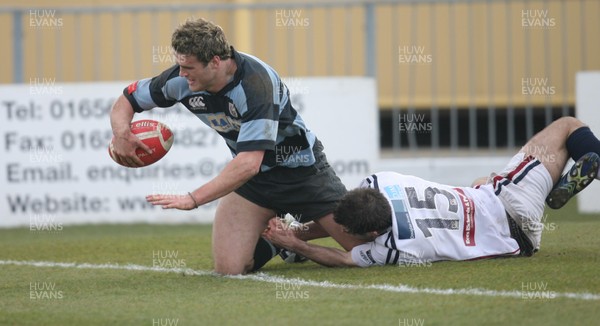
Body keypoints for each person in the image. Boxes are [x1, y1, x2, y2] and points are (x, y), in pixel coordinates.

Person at [109, 18, 363, 274]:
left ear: (215, 62)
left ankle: (294, 236)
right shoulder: (180, 80)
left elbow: (249, 163)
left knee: (363, 248)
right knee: (229, 269)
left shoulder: (256, 84)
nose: (182, 73)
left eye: (189, 67)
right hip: (256, 185)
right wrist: (121, 133)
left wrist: (193, 199)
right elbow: (128, 98)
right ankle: (278, 243)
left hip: (304, 173)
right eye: (179, 64)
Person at [263, 117, 600, 267]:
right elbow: (348, 234)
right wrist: (296, 239)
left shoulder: (394, 249)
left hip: (519, 239)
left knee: (484, 181)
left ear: (375, 233)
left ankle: (574, 173)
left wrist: (294, 241)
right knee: (568, 127)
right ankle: (586, 163)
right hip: (502, 201)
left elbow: (342, 258)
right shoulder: (381, 181)